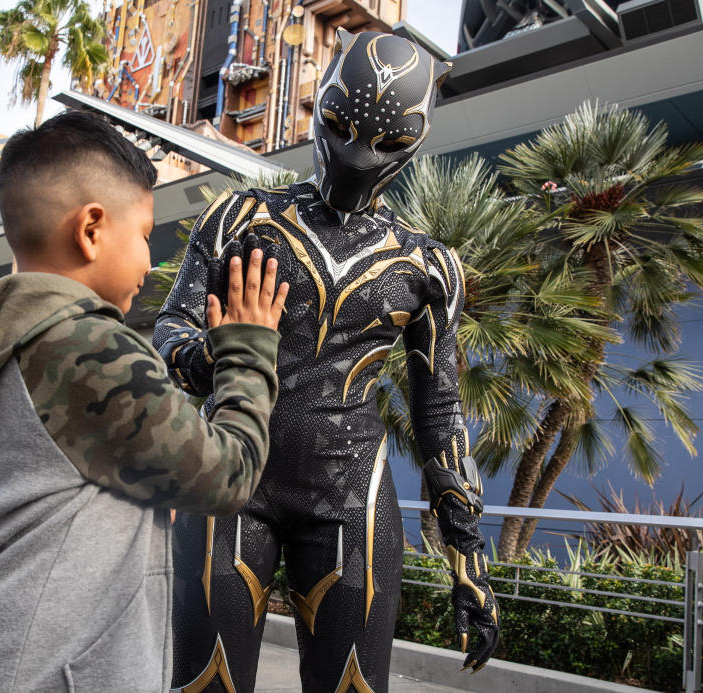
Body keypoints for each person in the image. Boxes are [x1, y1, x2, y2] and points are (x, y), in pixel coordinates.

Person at [155, 30, 500, 691]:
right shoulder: (239, 218)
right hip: (232, 479)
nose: (357, 156)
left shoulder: (429, 268)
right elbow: (169, 329)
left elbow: (440, 410)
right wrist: (216, 355)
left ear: (414, 140)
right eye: (341, 126)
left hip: (344, 496)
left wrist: (469, 557)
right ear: (320, 109)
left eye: (386, 141)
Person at [0, 109, 288, 692]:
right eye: (143, 235)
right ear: (90, 229)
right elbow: (228, 477)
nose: (149, 259)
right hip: (50, 676)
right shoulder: (86, 345)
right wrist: (249, 350)